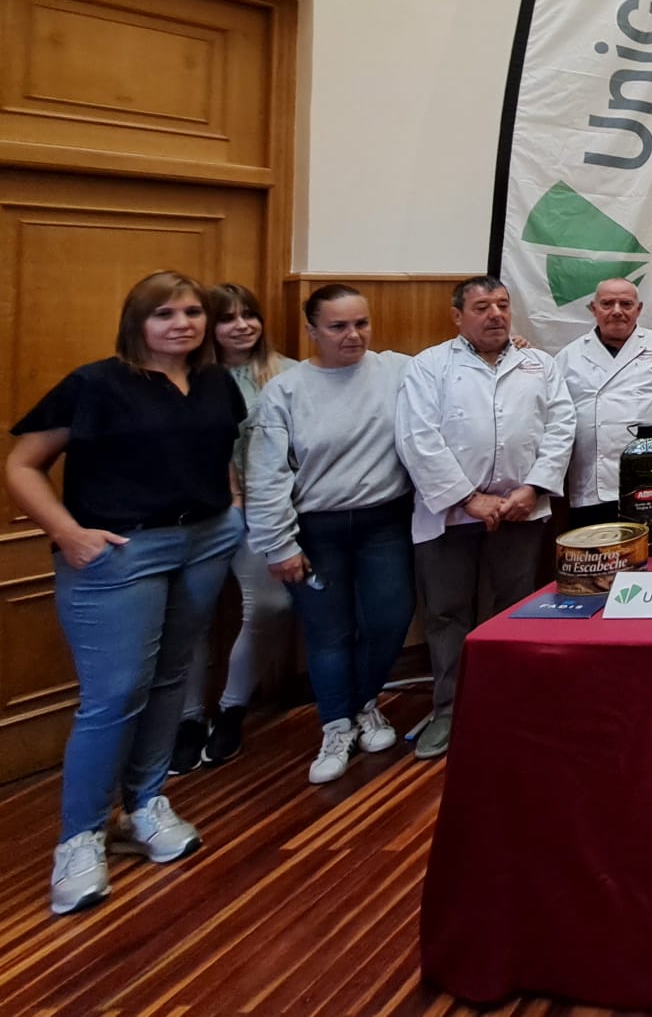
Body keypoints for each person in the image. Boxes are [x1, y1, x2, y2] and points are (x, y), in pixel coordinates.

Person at [7, 271, 245, 917]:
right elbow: (21, 466)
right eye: (164, 312)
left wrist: (232, 507)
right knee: (113, 696)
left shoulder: (218, 382)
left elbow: (220, 453)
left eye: (193, 311)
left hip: (202, 543)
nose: (183, 323)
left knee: (171, 679)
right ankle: (79, 839)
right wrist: (66, 532)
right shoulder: (96, 384)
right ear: (135, 322)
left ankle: (143, 804)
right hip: (120, 554)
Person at [395, 275, 574, 761]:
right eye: (481, 307)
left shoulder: (540, 364)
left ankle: (508, 705)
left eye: (502, 304)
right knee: (447, 613)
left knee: (513, 607)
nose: (495, 314)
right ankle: (450, 710)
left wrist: (532, 488)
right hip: (450, 514)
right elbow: (418, 438)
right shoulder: (429, 366)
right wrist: (468, 498)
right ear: (457, 316)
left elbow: (561, 428)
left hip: (521, 508)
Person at [245, 285, 415, 785]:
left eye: (361, 323)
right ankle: (336, 724)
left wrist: (514, 343)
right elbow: (267, 473)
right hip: (317, 529)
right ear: (313, 331)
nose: (353, 335)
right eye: (338, 326)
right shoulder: (287, 389)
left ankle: (364, 703)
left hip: (383, 521)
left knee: (389, 619)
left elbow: (459, 367)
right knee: (328, 632)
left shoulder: (398, 370)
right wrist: (280, 544)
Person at [172, 282, 295, 774]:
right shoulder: (186, 378)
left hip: (264, 515)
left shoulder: (287, 373)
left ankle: (232, 708)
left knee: (273, 603)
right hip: (199, 515)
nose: (241, 326)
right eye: (228, 318)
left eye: (250, 314)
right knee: (189, 618)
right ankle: (186, 719)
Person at [554, 277, 652, 527]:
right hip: (593, 486)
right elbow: (558, 422)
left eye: (626, 304)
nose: (617, 311)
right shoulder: (568, 357)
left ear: (638, 309)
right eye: (607, 304)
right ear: (593, 309)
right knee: (599, 563)